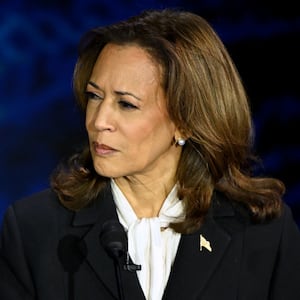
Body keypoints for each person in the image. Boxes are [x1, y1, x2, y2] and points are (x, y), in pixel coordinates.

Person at [1, 8, 300, 300]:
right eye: (94, 96)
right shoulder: (33, 230)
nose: (98, 121)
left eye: (126, 104)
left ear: (185, 122)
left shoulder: (264, 234)